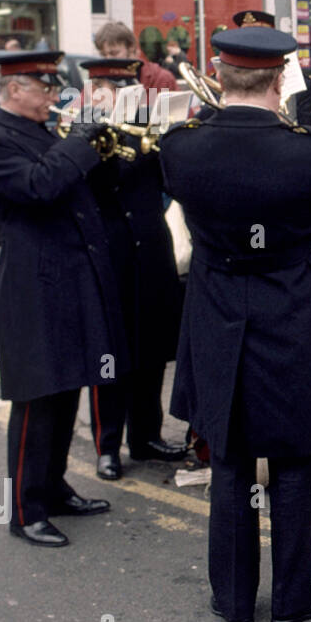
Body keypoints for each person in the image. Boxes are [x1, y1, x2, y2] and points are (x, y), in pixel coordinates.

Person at [160, 25, 311, 622]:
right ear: (278, 79)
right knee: (294, 458)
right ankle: (294, 600)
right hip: (287, 310)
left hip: (216, 311)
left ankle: (235, 600)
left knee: (230, 459)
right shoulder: (300, 147)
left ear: (220, 75)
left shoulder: (181, 144)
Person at [0, 52, 123, 547]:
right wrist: (80, 137)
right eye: (43, 87)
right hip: (34, 284)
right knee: (36, 396)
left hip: (71, 276)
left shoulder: (43, 133)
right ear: (14, 89)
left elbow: (79, 185)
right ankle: (24, 508)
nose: (54, 97)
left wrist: (103, 144)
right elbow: (40, 186)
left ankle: (54, 488)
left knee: (67, 386)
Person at [78, 59, 188, 481]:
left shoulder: (149, 123)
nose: (122, 90)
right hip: (110, 255)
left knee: (152, 349)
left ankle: (146, 436)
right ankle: (108, 446)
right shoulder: (82, 127)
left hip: (152, 251)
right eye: (112, 84)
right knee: (110, 356)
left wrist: (168, 140)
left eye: (127, 84)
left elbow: (170, 182)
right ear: (96, 88)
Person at [94, 22, 177, 95]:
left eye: (114, 53)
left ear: (131, 48)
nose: (108, 60)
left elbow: (181, 110)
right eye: (103, 55)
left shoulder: (161, 78)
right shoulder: (97, 81)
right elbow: (85, 111)